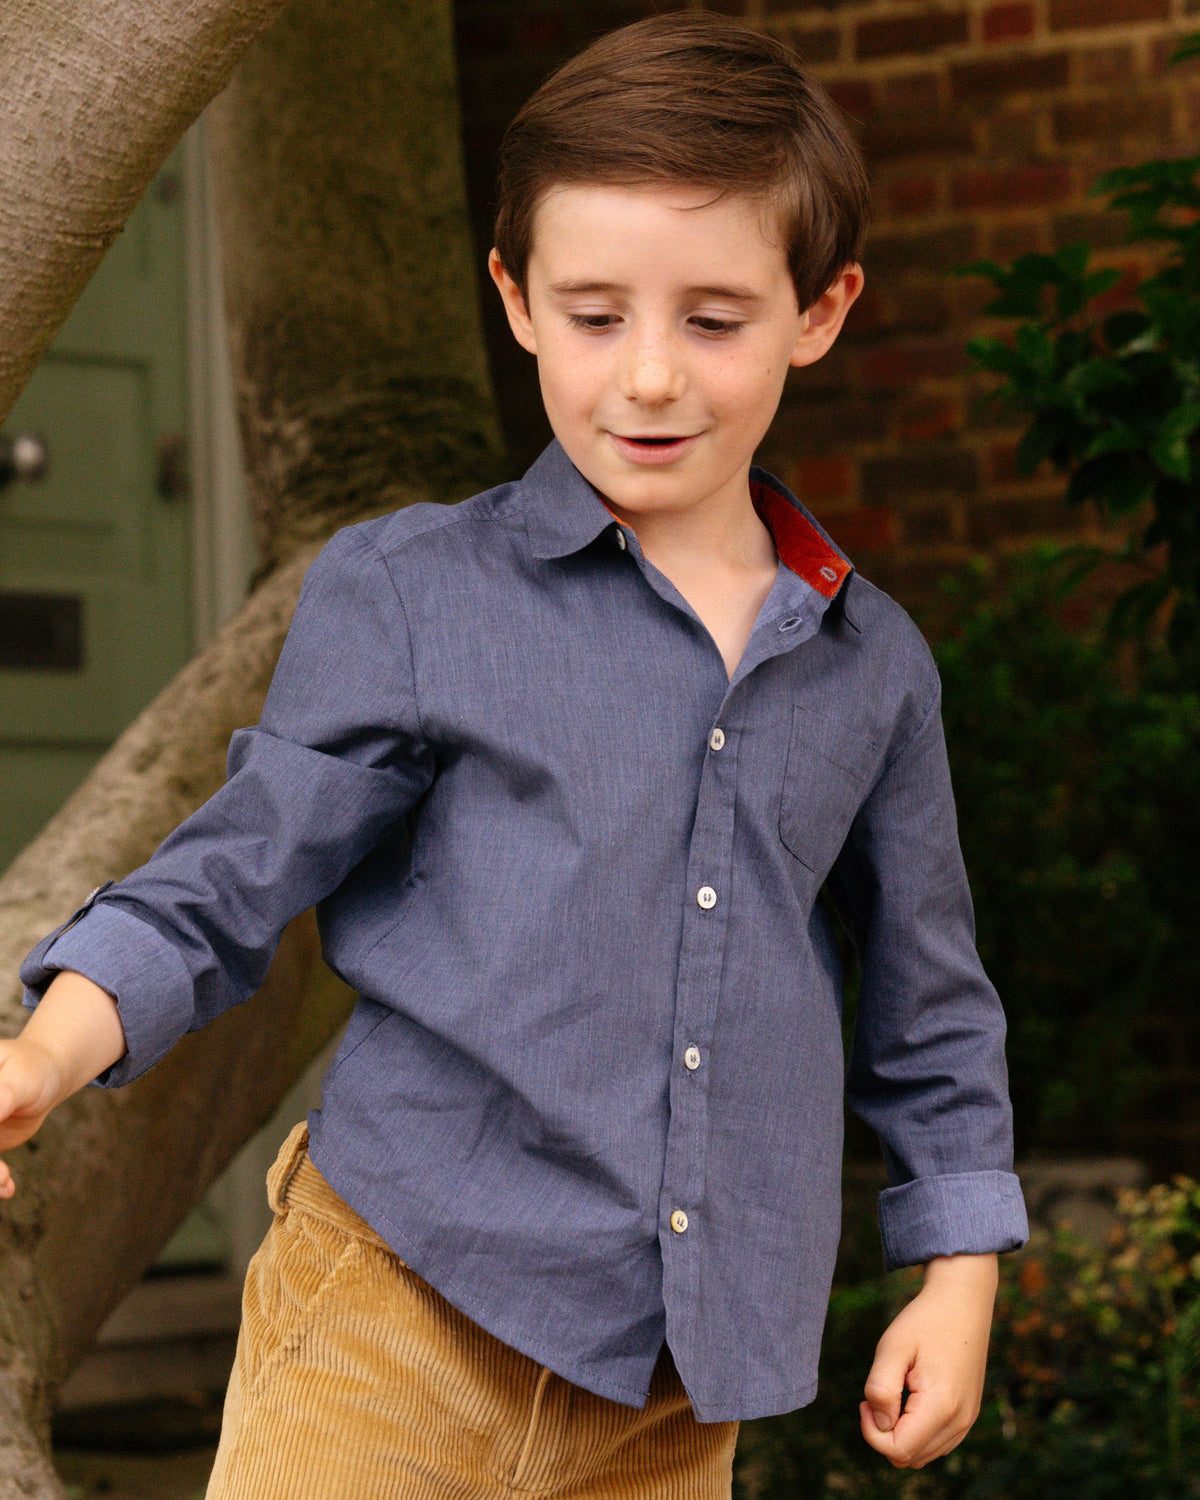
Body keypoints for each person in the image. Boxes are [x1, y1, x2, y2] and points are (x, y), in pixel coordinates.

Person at [0, 13, 1028, 1497]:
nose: (652, 378)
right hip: (395, 1307)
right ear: (516, 297)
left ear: (823, 308)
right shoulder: (415, 595)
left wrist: (959, 1272)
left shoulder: (873, 669)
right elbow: (234, 873)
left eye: (716, 319)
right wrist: (49, 1046)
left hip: (675, 1384)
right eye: (596, 313)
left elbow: (931, 1011)